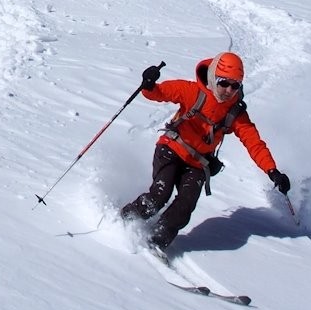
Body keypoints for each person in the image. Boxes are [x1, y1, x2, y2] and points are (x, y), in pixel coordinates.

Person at [119, 51, 291, 252]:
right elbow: (159, 93)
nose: (229, 90)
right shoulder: (191, 91)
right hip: (171, 149)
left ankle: (156, 241)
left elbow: (254, 143)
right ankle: (127, 217)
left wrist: (273, 171)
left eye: (235, 85)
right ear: (212, 77)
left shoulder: (236, 113)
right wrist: (148, 84)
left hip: (198, 163)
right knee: (160, 195)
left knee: (185, 206)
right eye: (223, 83)